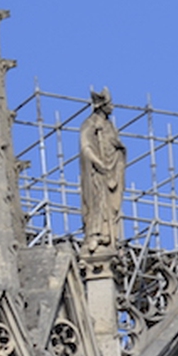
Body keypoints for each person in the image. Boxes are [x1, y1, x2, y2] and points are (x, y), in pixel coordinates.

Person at [79, 88, 127, 251]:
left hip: (111, 170)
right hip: (97, 173)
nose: (112, 107)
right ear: (101, 106)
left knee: (111, 206)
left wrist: (117, 155)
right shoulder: (90, 124)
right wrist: (98, 162)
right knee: (98, 202)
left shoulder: (109, 126)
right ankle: (96, 234)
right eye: (109, 104)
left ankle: (108, 235)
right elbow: (85, 148)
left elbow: (117, 146)